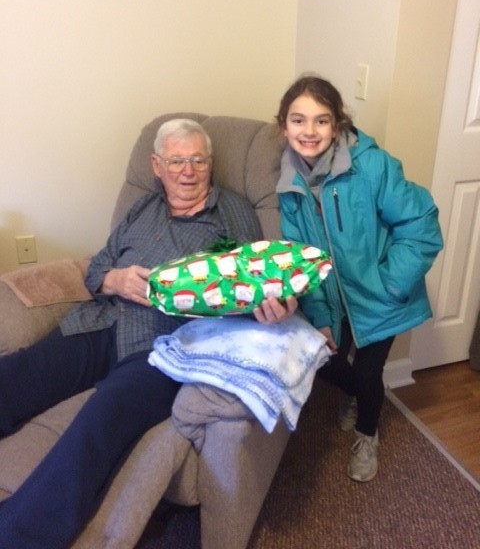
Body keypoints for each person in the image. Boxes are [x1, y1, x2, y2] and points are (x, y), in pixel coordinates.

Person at [0, 118, 293, 548]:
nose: (187, 171)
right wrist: (115, 280)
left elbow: (248, 286)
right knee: (16, 374)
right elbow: (97, 265)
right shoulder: (143, 209)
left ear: (210, 163)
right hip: (101, 322)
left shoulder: (232, 213)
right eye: (176, 160)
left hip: (164, 347)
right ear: (157, 165)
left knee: (100, 419)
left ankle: (17, 536)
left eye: (198, 160)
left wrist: (266, 309)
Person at [274, 74, 443, 482]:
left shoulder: (372, 166)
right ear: (284, 126)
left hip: (379, 294)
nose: (309, 131)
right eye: (298, 120)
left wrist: (391, 284)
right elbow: (303, 259)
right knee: (324, 360)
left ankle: (369, 432)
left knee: (369, 373)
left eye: (321, 120)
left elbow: (421, 223)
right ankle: (358, 394)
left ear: (338, 125)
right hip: (332, 297)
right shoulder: (289, 183)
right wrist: (320, 318)